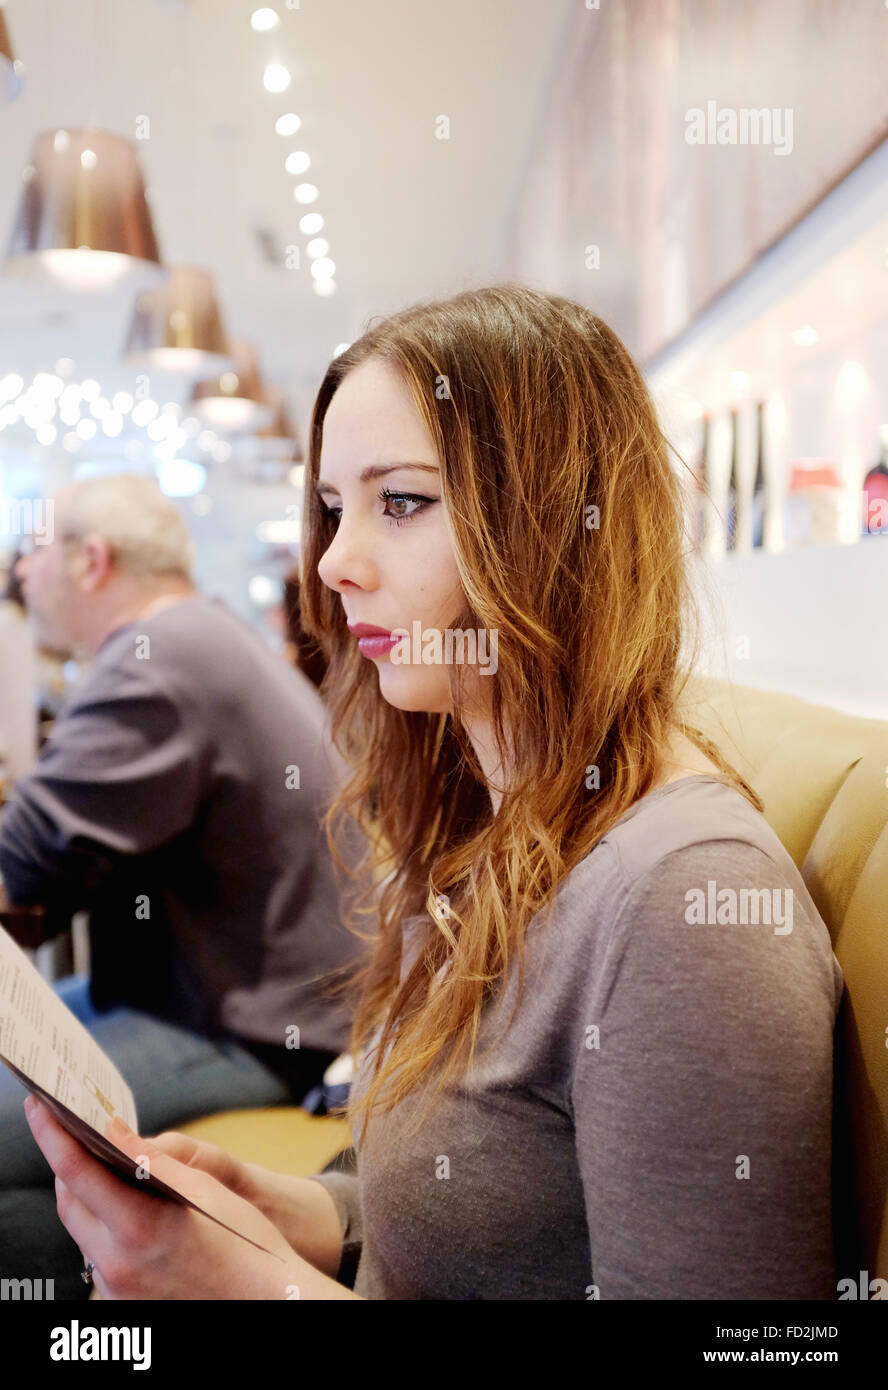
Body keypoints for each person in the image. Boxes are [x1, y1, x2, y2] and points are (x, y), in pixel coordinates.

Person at [25, 287, 843, 1300]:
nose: (333, 562)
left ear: (553, 522)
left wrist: (261, 1291)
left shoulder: (682, 901)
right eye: (332, 509)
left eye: (400, 502)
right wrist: (309, 1213)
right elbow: (504, 1221)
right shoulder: (483, 820)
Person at [0, 474, 365, 1298]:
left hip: (259, 1024)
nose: (22, 575)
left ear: (91, 560)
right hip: (251, 994)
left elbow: (22, 862)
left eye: (33, 552)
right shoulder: (200, 638)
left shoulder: (153, 661)